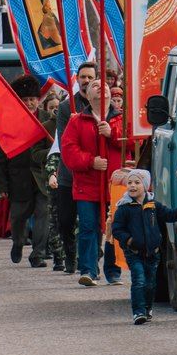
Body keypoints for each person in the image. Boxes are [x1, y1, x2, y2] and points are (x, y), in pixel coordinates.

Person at [61, 78, 122, 287]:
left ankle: (113, 271)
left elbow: (133, 141)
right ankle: (88, 269)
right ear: (87, 95)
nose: (100, 88)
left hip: (114, 184)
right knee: (88, 227)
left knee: (114, 227)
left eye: (104, 85)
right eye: (95, 86)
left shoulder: (120, 118)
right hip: (87, 184)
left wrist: (112, 134)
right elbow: (69, 151)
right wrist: (90, 162)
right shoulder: (77, 121)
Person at [112, 169, 177, 324]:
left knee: (150, 284)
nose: (132, 186)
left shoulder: (153, 205)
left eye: (137, 182)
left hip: (152, 253)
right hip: (134, 252)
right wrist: (128, 241)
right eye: (129, 183)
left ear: (146, 185)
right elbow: (117, 229)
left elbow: (170, 215)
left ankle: (147, 308)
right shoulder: (124, 207)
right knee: (139, 280)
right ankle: (138, 312)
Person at [0, 75, 54, 268]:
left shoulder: (48, 119)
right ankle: (18, 242)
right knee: (19, 217)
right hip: (18, 179)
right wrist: (2, 185)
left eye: (32, 99)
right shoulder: (9, 122)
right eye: (25, 99)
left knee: (43, 213)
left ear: (38, 99)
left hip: (43, 176)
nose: (29, 103)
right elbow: (0, 155)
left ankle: (38, 253)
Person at [50, 62, 99, 274]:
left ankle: (91, 260)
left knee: (91, 222)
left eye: (90, 77)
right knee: (66, 220)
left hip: (94, 174)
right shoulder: (65, 107)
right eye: (83, 77)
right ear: (77, 79)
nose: (86, 81)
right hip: (69, 174)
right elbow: (64, 143)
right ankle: (70, 254)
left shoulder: (103, 106)